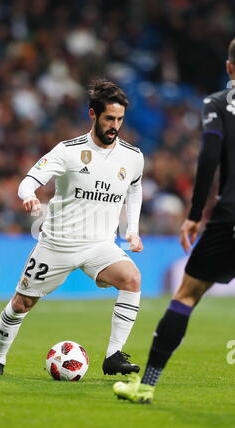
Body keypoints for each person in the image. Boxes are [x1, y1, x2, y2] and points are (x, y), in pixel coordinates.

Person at [0, 79, 144, 376]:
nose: (115, 126)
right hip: (57, 244)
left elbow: (134, 189)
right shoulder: (68, 151)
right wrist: (29, 195)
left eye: (120, 119)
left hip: (100, 244)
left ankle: (113, 356)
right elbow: (29, 179)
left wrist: (131, 229)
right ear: (93, 115)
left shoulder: (133, 157)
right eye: (109, 118)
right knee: (21, 303)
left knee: (132, 279)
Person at [113, 38, 235, 403]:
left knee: (185, 296)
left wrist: (195, 214)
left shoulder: (218, 103)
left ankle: (146, 384)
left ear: (229, 68)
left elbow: (209, 156)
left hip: (230, 215)